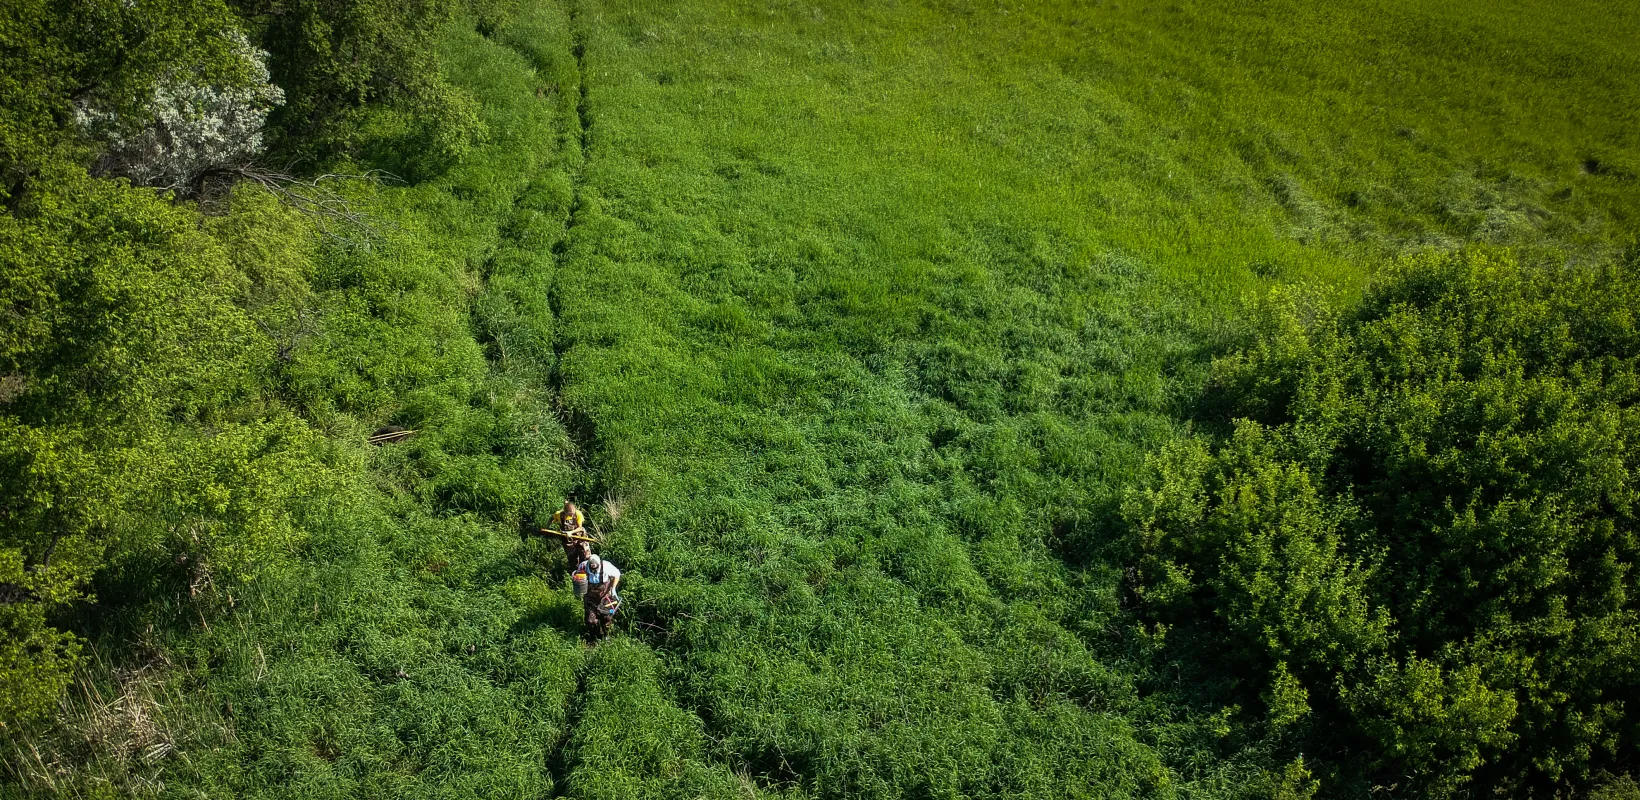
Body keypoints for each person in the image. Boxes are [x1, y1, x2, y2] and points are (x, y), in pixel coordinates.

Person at [575, 554, 621, 640]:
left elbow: (617, 574)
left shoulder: (606, 566)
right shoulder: (583, 566)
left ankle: (607, 636)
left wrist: (613, 588)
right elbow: (578, 578)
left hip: (604, 597)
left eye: (595, 569)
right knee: (590, 621)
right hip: (590, 597)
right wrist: (578, 588)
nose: (593, 570)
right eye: (592, 568)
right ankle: (594, 636)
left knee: (607, 618)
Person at [550, 500, 590, 565]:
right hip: (568, 540)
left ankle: (587, 570)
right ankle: (575, 572)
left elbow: (580, 528)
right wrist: (547, 526)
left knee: (585, 555)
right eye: (570, 514)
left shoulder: (578, 514)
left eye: (573, 513)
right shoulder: (559, 514)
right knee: (573, 559)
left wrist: (571, 532)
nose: (572, 515)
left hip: (581, 537)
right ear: (565, 512)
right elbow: (551, 518)